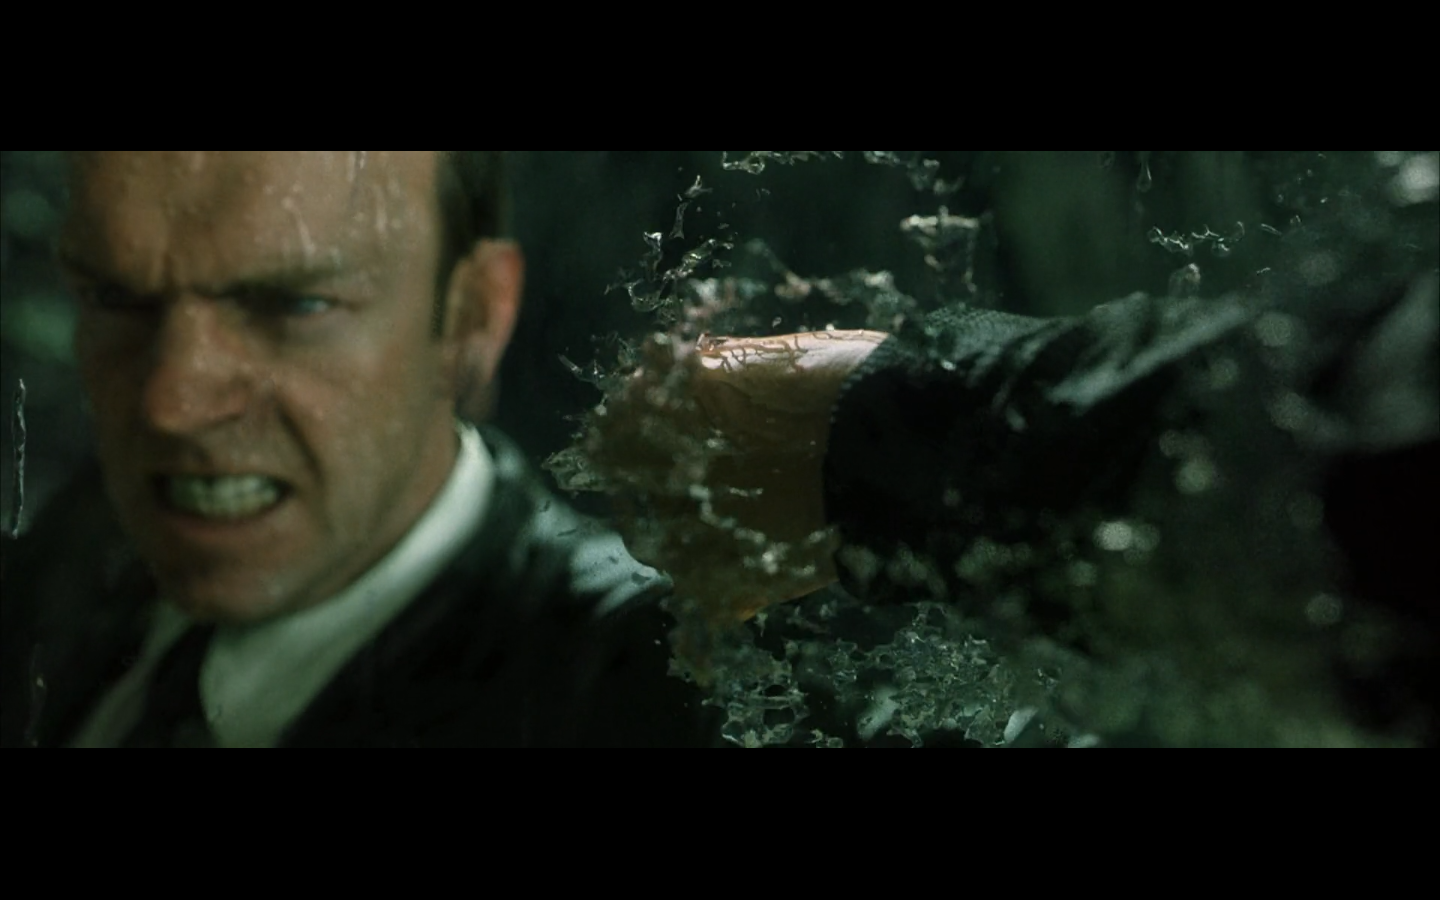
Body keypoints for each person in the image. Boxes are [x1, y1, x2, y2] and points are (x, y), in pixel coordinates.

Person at [0, 151, 718, 748]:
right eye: (115, 298)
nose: (171, 407)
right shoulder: (67, 558)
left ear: (471, 317)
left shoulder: (654, 696)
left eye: (294, 305)